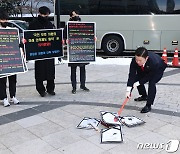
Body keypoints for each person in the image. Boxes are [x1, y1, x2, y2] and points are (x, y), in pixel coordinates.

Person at [126, 47, 167, 113]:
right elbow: (132, 74)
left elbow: (149, 76)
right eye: (137, 60)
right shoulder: (134, 61)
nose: (138, 62)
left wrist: (139, 82)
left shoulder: (154, 62)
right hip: (145, 68)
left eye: (140, 60)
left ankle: (148, 105)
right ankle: (144, 96)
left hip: (158, 69)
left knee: (152, 82)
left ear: (146, 58)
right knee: (137, 78)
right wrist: (128, 89)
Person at [28, 6, 56, 97]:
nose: (45, 16)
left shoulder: (50, 24)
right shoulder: (33, 24)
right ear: (39, 13)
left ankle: (50, 89)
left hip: (49, 52)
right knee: (39, 72)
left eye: (47, 15)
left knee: (50, 71)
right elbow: (29, 37)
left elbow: (55, 37)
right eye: (44, 14)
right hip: (38, 52)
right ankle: (41, 90)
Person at [65, 11, 90, 94]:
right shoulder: (68, 26)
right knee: (73, 69)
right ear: (71, 16)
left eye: (77, 14)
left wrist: (92, 38)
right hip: (73, 51)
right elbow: (64, 36)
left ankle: (83, 85)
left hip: (82, 49)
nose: (76, 16)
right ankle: (74, 87)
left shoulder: (83, 24)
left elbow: (88, 34)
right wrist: (66, 40)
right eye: (74, 14)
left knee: (83, 68)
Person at [0, 9, 20, 107]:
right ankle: (4, 98)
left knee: (13, 78)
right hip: (2, 60)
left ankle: (13, 96)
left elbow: (16, 43)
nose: (5, 22)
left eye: (6, 19)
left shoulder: (11, 30)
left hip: (12, 59)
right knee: (2, 80)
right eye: (3, 20)